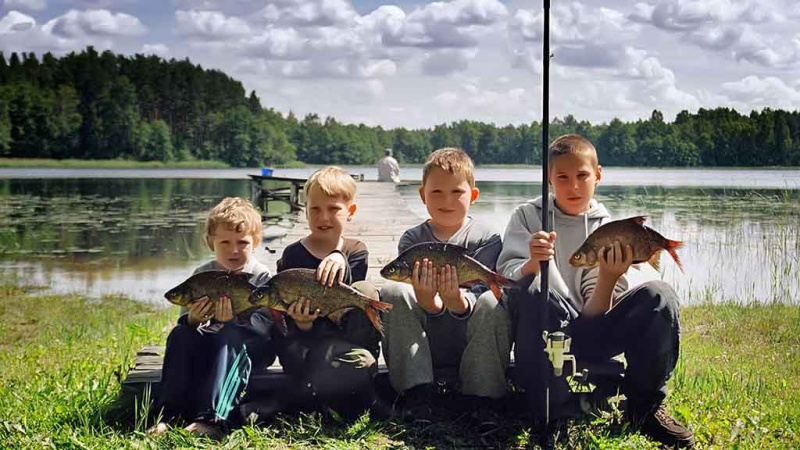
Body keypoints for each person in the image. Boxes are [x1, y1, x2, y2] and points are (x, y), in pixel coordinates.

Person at [497, 134, 695, 448]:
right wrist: (532, 263)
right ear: (549, 178)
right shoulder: (527, 216)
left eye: (582, 176)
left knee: (660, 295)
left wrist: (608, 277)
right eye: (563, 177)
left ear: (598, 175)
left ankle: (644, 407)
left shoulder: (608, 229)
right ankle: (548, 407)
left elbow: (592, 316)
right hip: (544, 331)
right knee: (535, 287)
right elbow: (506, 278)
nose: (573, 186)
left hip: (592, 329)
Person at [239, 166, 388, 423]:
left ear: (350, 212)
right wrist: (303, 324)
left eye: (333, 209)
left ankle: (297, 401)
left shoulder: (357, 251)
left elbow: (348, 299)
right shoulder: (292, 255)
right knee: (348, 366)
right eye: (315, 209)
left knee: (365, 294)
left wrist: (339, 256)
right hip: (303, 348)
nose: (323, 217)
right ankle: (340, 399)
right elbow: (283, 326)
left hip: (344, 348)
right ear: (305, 210)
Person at [380, 148, 511, 433]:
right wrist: (431, 302)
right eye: (437, 192)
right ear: (422, 195)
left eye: (457, 192)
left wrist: (457, 301)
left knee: (493, 300)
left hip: (473, 342)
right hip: (426, 341)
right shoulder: (412, 240)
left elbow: (481, 293)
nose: (446, 201)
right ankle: (416, 393)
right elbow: (415, 296)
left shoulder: (487, 237)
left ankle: (483, 398)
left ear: (473, 195)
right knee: (392, 291)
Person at [148, 197, 275, 439]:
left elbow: (266, 325)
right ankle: (167, 415)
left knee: (229, 335)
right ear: (210, 243)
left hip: (248, 350)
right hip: (210, 345)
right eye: (225, 242)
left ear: (256, 242)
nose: (234, 250)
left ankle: (212, 420)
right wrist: (194, 319)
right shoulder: (202, 274)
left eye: (242, 242)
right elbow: (187, 321)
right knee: (180, 334)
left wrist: (234, 321)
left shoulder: (261, 275)